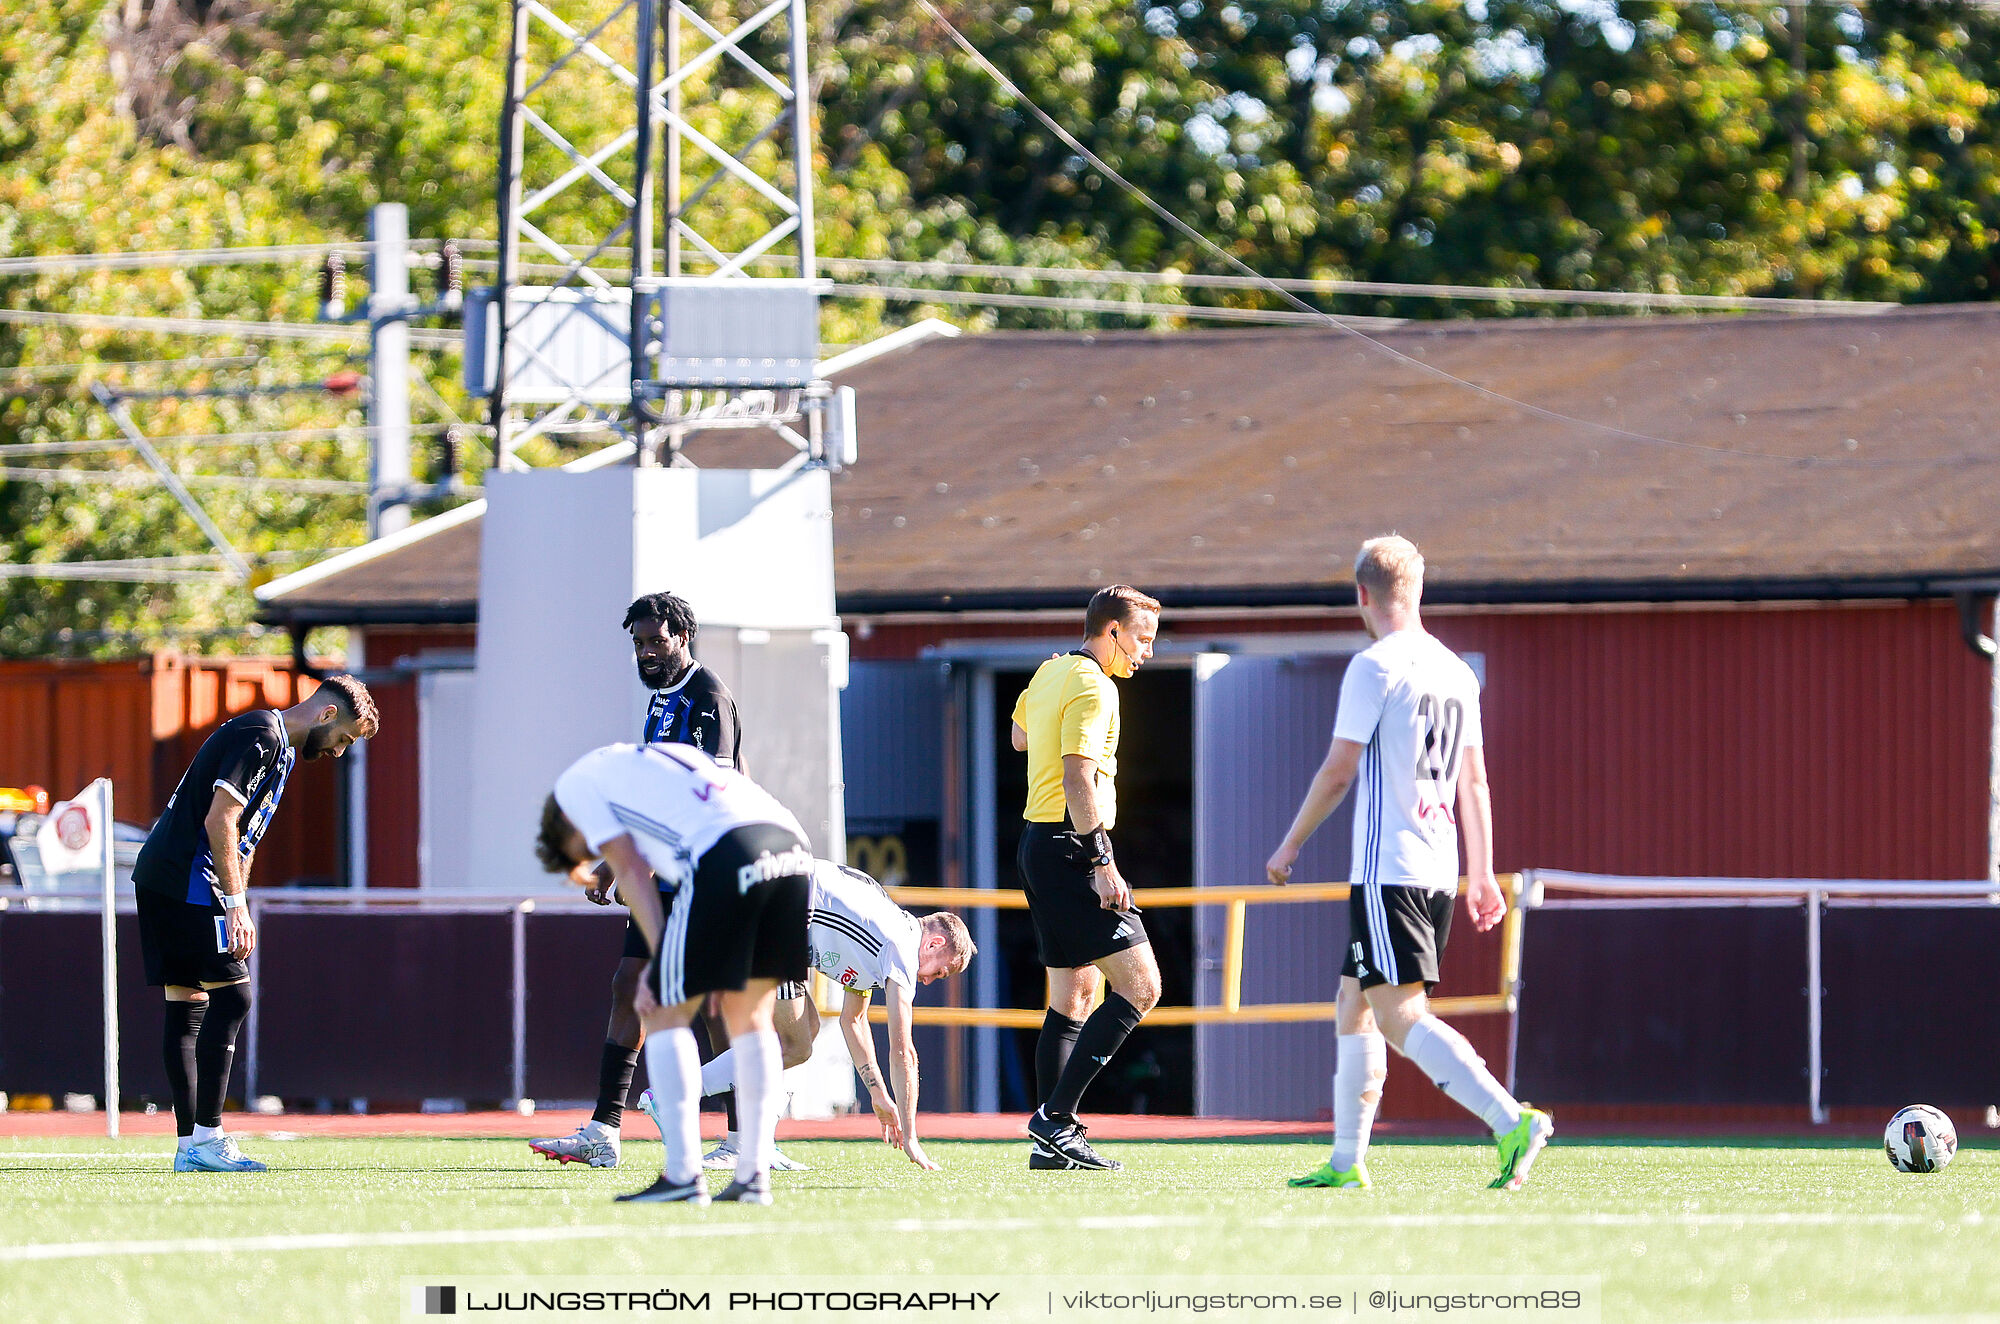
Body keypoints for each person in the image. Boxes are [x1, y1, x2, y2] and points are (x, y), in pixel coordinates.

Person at [1264, 536, 1552, 1192]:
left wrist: (1290, 844)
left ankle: (1511, 1120)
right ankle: (1344, 1161)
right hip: (1436, 868)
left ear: (1361, 596)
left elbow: (1339, 770)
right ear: (1418, 591)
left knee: (1399, 1014)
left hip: (1389, 869)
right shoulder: (1455, 670)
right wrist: (1480, 874)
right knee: (1354, 1004)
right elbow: (1473, 783)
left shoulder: (1375, 666)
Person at [528, 592, 810, 1172]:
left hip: (704, 867)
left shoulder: (707, 697)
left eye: (657, 641)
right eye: (638, 644)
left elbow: (707, 796)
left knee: (712, 1003)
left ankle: (745, 1137)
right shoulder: (661, 699)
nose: (648, 653)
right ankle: (604, 1131)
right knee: (630, 984)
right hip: (666, 867)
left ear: (684, 637)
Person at [537, 742, 814, 1206]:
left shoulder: (576, 787)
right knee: (753, 1019)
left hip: (730, 850)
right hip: (792, 847)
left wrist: (663, 957)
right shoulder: (644, 763)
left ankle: (684, 1175)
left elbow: (629, 870)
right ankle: (752, 1178)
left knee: (662, 1006)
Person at [133, 675, 378, 1173]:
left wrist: (236, 889)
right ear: (328, 716)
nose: (337, 752)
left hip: (167, 875)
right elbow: (220, 820)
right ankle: (207, 1139)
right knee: (234, 995)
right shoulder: (262, 735)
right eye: (345, 739)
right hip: (185, 878)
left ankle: (190, 1148)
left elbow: (242, 835)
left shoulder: (282, 749)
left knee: (189, 1001)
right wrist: (237, 903)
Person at [680, 860, 975, 1171]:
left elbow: (854, 1020)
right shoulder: (901, 950)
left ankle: (750, 1140)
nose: (928, 980)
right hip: (774, 909)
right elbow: (904, 1053)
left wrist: (877, 1093)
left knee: (806, 1029)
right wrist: (912, 1137)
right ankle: (679, 1097)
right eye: (940, 972)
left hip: (774, 900)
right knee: (796, 1044)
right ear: (935, 942)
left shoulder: (888, 936)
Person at [1009, 584, 1165, 1172]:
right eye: (1142, 640)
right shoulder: (1096, 685)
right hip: (1071, 848)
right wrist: (1104, 863)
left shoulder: (1052, 671)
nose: (1146, 654)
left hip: (1037, 844)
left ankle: (1053, 1141)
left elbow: (1021, 737)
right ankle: (1055, 1119)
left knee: (1074, 995)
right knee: (1142, 986)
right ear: (1112, 632)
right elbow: (1078, 777)